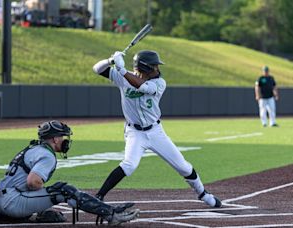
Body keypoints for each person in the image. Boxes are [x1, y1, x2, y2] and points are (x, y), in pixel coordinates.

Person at [92, 50, 222, 208]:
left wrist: (122, 69)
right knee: (129, 165)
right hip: (135, 133)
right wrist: (110, 60)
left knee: (183, 166)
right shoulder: (123, 78)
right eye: (154, 66)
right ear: (145, 68)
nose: (157, 69)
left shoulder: (159, 83)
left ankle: (203, 193)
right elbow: (97, 69)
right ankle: (99, 196)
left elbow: (143, 87)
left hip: (155, 132)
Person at [0, 120, 139, 225]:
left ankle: (2, 212)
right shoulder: (46, 155)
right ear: (55, 139)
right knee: (63, 189)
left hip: (5, 198)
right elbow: (32, 182)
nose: (66, 141)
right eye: (63, 137)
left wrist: (43, 198)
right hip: (14, 201)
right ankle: (111, 214)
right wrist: (49, 196)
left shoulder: (35, 148)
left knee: (57, 192)